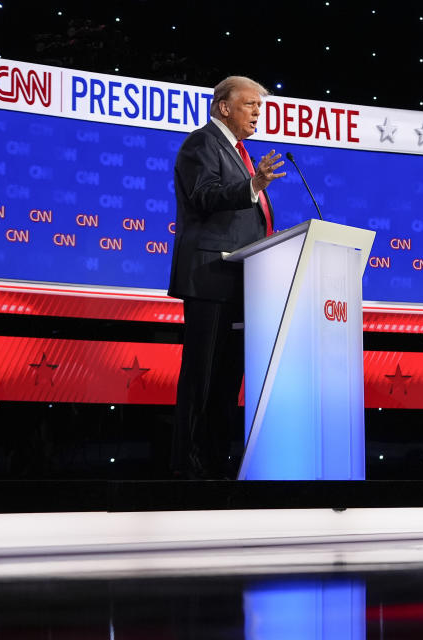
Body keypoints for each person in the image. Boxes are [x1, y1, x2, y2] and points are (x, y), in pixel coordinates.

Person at [168, 76, 286, 479]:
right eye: (250, 104)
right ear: (223, 107)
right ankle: (187, 466)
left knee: (225, 379)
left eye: (260, 106)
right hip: (209, 276)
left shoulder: (240, 153)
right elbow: (204, 196)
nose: (257, 112)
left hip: (240, 281)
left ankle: (216, 463)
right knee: (201, 376)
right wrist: (252, 185)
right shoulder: (201, 144)